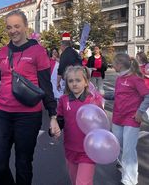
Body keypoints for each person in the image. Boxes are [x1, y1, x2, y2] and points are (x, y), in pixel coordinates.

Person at [0, 9, 59, 185]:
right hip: (4, 114)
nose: (13, 30)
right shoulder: (2, 52)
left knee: (23, 163)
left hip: (29, 116)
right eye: (9, 27)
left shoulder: (38, 51)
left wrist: (53, 116)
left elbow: (46, 85)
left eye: (17, 26)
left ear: (25, 26)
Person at [56, 65, 104, 185]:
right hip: (70, 149)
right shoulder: (63, 100)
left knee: (82, 183)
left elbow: (101, 125)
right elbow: (60, 120)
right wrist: (55, 129)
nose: (74, 84)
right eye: (71, 81)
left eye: (78, 80)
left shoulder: (93, 100)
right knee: (74, 180)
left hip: (88, 151)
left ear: (86, 82)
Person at [112, 53, 149, 185]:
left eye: (114, 63)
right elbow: (117, 95)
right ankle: (123, 166)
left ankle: (130, 180)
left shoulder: (135, 79)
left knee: (129, 149)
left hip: (131, 118)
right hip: (117, 117)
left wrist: (140, 112)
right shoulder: (118, 79)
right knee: (118, 145)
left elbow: (147, 96)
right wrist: (101, 96)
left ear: (120, 65)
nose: (112, 65)